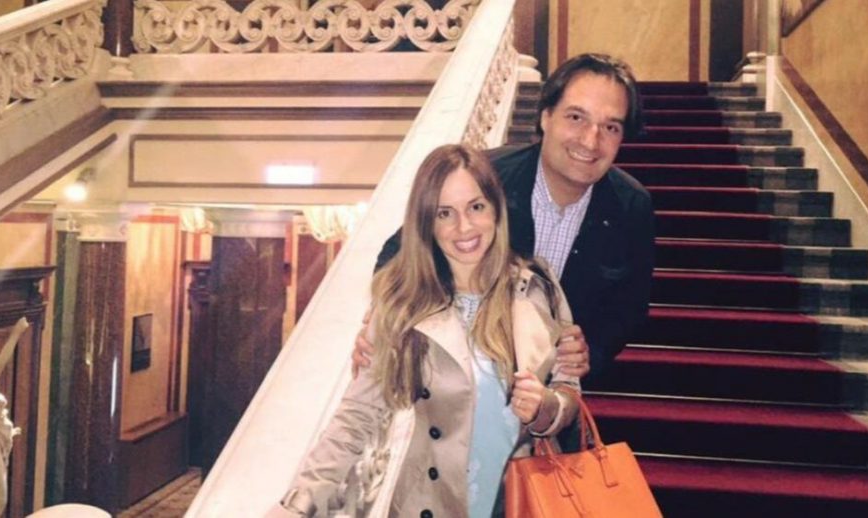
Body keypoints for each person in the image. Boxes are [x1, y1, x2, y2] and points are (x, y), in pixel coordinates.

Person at [274, 145, 579, 517]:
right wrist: (299, 503)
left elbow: (568, 388)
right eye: (444, 213)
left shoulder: (537, 288)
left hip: (518, 502)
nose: (464, 227)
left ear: (495, 208)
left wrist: (547, 408)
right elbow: (357, 416)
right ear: (426, 223)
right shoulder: (402, 304)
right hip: (429, 504)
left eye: (476, 207)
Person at [357, 53, 655, 384]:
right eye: (576, 117)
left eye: (610, 127)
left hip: (551, 395)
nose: (590, 140)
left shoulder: (632, 206)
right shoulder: (484, 179)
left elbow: (629, 309)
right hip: (460, 380)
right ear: (545, 116)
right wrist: (386, 322)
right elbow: (401, 252)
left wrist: (591, 352)